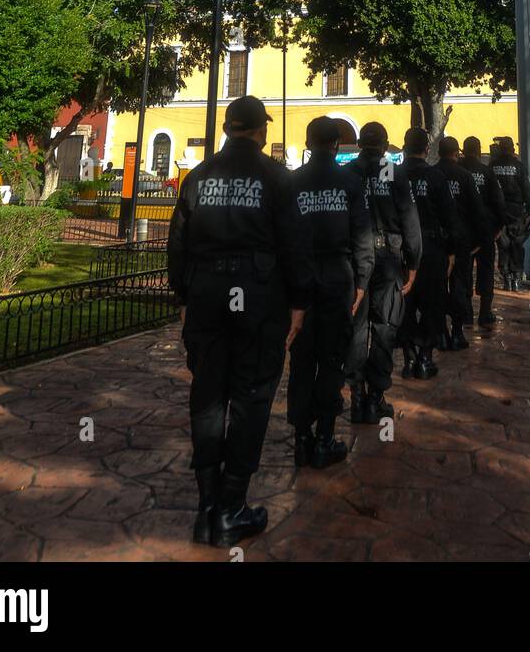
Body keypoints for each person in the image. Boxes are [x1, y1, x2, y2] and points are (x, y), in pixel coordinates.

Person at [167, 95, 313, 547]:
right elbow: (294, 244)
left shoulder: (198, 177)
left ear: (229, 127)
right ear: (259, 130)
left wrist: (184, 294)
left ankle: (207, 508)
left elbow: (177, 242)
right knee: (251, 398)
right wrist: (299, 302)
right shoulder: (278, 178)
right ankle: (231, 507)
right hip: (259, 296)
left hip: (208, 295)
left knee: (207, 396)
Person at [287, 116, 374, 470]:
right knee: (332, 360)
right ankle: (325, 437)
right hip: (338, 278)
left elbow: (283, 238)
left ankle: (302, 440)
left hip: (301, 281)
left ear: (308, 144)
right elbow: (361, 236)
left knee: (301, 361)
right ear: (337, 144)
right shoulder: (350, 183)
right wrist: (362, 281)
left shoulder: (291, 183)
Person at [345, 122, 421, 424]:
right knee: (385, 327)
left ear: (360, 143)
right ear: (386, 143)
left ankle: (357, 396)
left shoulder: (348, 174)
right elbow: (410, 221)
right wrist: (413, 264)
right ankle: (376, 397)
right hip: (388, 257)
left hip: (355, 259)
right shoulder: (395, 173)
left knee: (356, 327)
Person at [398, 127, 460, 378]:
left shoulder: (392, 175)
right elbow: (450, 216)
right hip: (431, 248)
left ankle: (408, 356)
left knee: (404, 305)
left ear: (404, 146)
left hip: (401, 251)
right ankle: (425, 358)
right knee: (432, 304)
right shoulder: (435, 177)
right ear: (426, 148)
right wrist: (452, 251)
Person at [437, 135, 486, 349]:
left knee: (437, 285)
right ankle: (457, 331)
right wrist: (480, 239)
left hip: (437, 239)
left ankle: (440, 332)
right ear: (457, 153)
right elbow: (477, 210)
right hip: (461, 239)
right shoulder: (465, 176)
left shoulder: (431, 174)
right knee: (459, 284)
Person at [460, 136, 506, 325]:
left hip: (462, 230)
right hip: (485, 230)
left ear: (463, 150)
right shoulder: (487, 172)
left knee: (464, 271)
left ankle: (467, 312)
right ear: (479, 151)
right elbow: (498, 202)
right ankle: (485, 312)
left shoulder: (459, 171)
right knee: (486, 271)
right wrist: (499, 227)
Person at [492, 137, 530, 292]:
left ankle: (506, 279)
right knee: (516, 244)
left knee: (503, 245)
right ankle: (516, 278)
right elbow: (527, 190)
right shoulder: (519, 167)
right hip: (517, 212)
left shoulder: (492, 166)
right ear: (512, 149)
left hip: (498, 212)